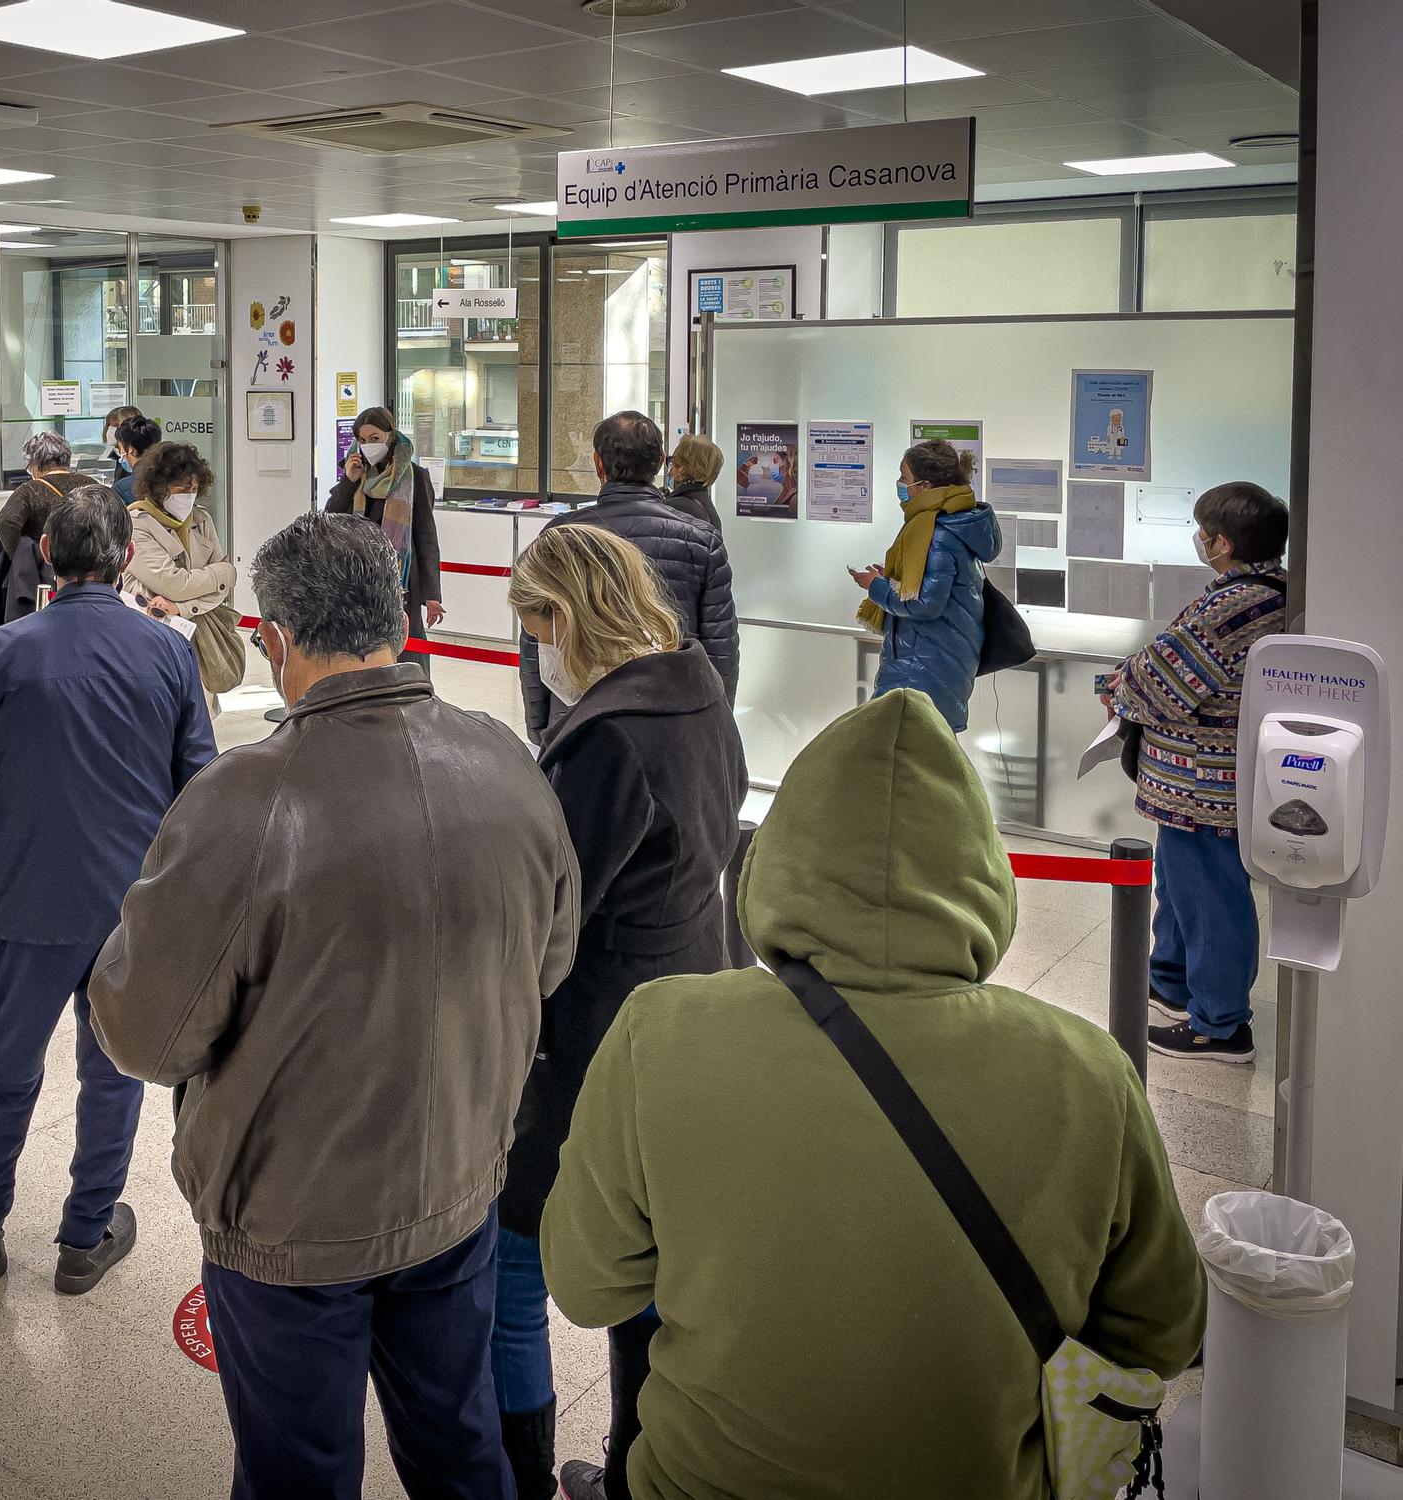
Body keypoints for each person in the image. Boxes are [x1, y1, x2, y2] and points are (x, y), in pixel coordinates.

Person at [541, 689, 1208, 1500]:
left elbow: (584, 1284)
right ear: (983, 875)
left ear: (778, 857)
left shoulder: (662, 1031)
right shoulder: (1088, 1074)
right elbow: (1164, 1330)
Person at [89, 512, 580, 1500]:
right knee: (457, 1443)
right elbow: (550, 960)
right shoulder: (509, 764)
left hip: (291, 1223)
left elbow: (144, 1034)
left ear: (271, 639)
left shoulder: (240, 800)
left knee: (297, 1471)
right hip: (457, 1186)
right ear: (399, 617)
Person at [495, 524, 747, 1499]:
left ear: (563, 616)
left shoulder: (604, 740)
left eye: (532, 628)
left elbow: (553, 909)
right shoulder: (694, 693)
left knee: (512, 1270)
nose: (533, 652)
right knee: (646, 1271)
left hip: (590, 1034)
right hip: (687, 994)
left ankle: (515, 1478)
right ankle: (633, 1471)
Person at [0, 487, 216, 1291]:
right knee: (113, 1069)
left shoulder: (2, 653)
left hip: (29, 901)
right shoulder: (167, 653)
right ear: (125, 558)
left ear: (46, 555)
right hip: (133, 909)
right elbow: (201, 786)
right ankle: (87, 1236)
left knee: (6, 1065)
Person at [1101, 482, 1290, 1064]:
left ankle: (1221, 1024)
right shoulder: (1273, 590)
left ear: (1222, 544)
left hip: (1202, 787)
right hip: (1198, 785)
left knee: (1209, 900)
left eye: (1203, 530)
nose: (1199, 539)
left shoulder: (1234, 606)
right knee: (1182, 890)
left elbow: (1160, 681)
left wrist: (1118, 685)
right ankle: (1172, 982)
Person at [520, 411, 736, 743]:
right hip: (670, 715)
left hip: (577, 716)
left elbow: (536, 638)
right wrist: (715, 721)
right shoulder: (701, 540)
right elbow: (720, 645)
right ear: (661, 464)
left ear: (597, 464)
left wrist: (538, 724)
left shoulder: (560, 536)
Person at [852, 438, 1002, 733]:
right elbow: (932, 588)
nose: (899, 484)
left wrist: (877, 587)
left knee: (908, 759)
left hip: (920, 669)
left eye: (904, 478)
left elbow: (925, 604)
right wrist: (894, 580)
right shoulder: (954, 524)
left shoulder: (936, 534)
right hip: (936, 664)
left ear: (925, 486)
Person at [325, 405, 446, 664]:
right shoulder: (355, 473)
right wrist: (349, 481)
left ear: (390, 436)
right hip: (358, 579)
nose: (368, 445)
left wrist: (432, 594)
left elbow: (426, 536)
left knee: (406, 648)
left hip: (399, 581)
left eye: (375, 439)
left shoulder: (414, 476)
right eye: (362, 440)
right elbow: (331, 519)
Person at [120, 441, 237, 707]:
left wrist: (181, 607)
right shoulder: (136, 524)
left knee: (201, 714)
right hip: (152, 636)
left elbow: (222, 589)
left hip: (196, 634)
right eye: (182, 487)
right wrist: (222, 572)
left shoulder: (201, 519)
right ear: (160, 486)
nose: (189, 495)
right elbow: (175, 583)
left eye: (194, 488)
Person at [0, 431, 80, 559]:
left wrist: (26, 557)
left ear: (35, 464)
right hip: (90, 566)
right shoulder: (92, 485)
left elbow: (6, 522)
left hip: (46, 569)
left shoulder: (30, 490)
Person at [662, 433, 722, 535]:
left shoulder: (675, 508)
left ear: (682, 469)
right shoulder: (709, 510)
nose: (670, 470)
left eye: (673, 462)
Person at [110, 413, 162, 504]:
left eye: (120, 448)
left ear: (130, 449)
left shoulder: (122, 489)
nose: (120, 453)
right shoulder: (174, 480)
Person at [100, 403, 143, 486]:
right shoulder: (115, 456)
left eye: (116, 425)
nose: (110, 429)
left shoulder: (137, 458)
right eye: (109, 425)